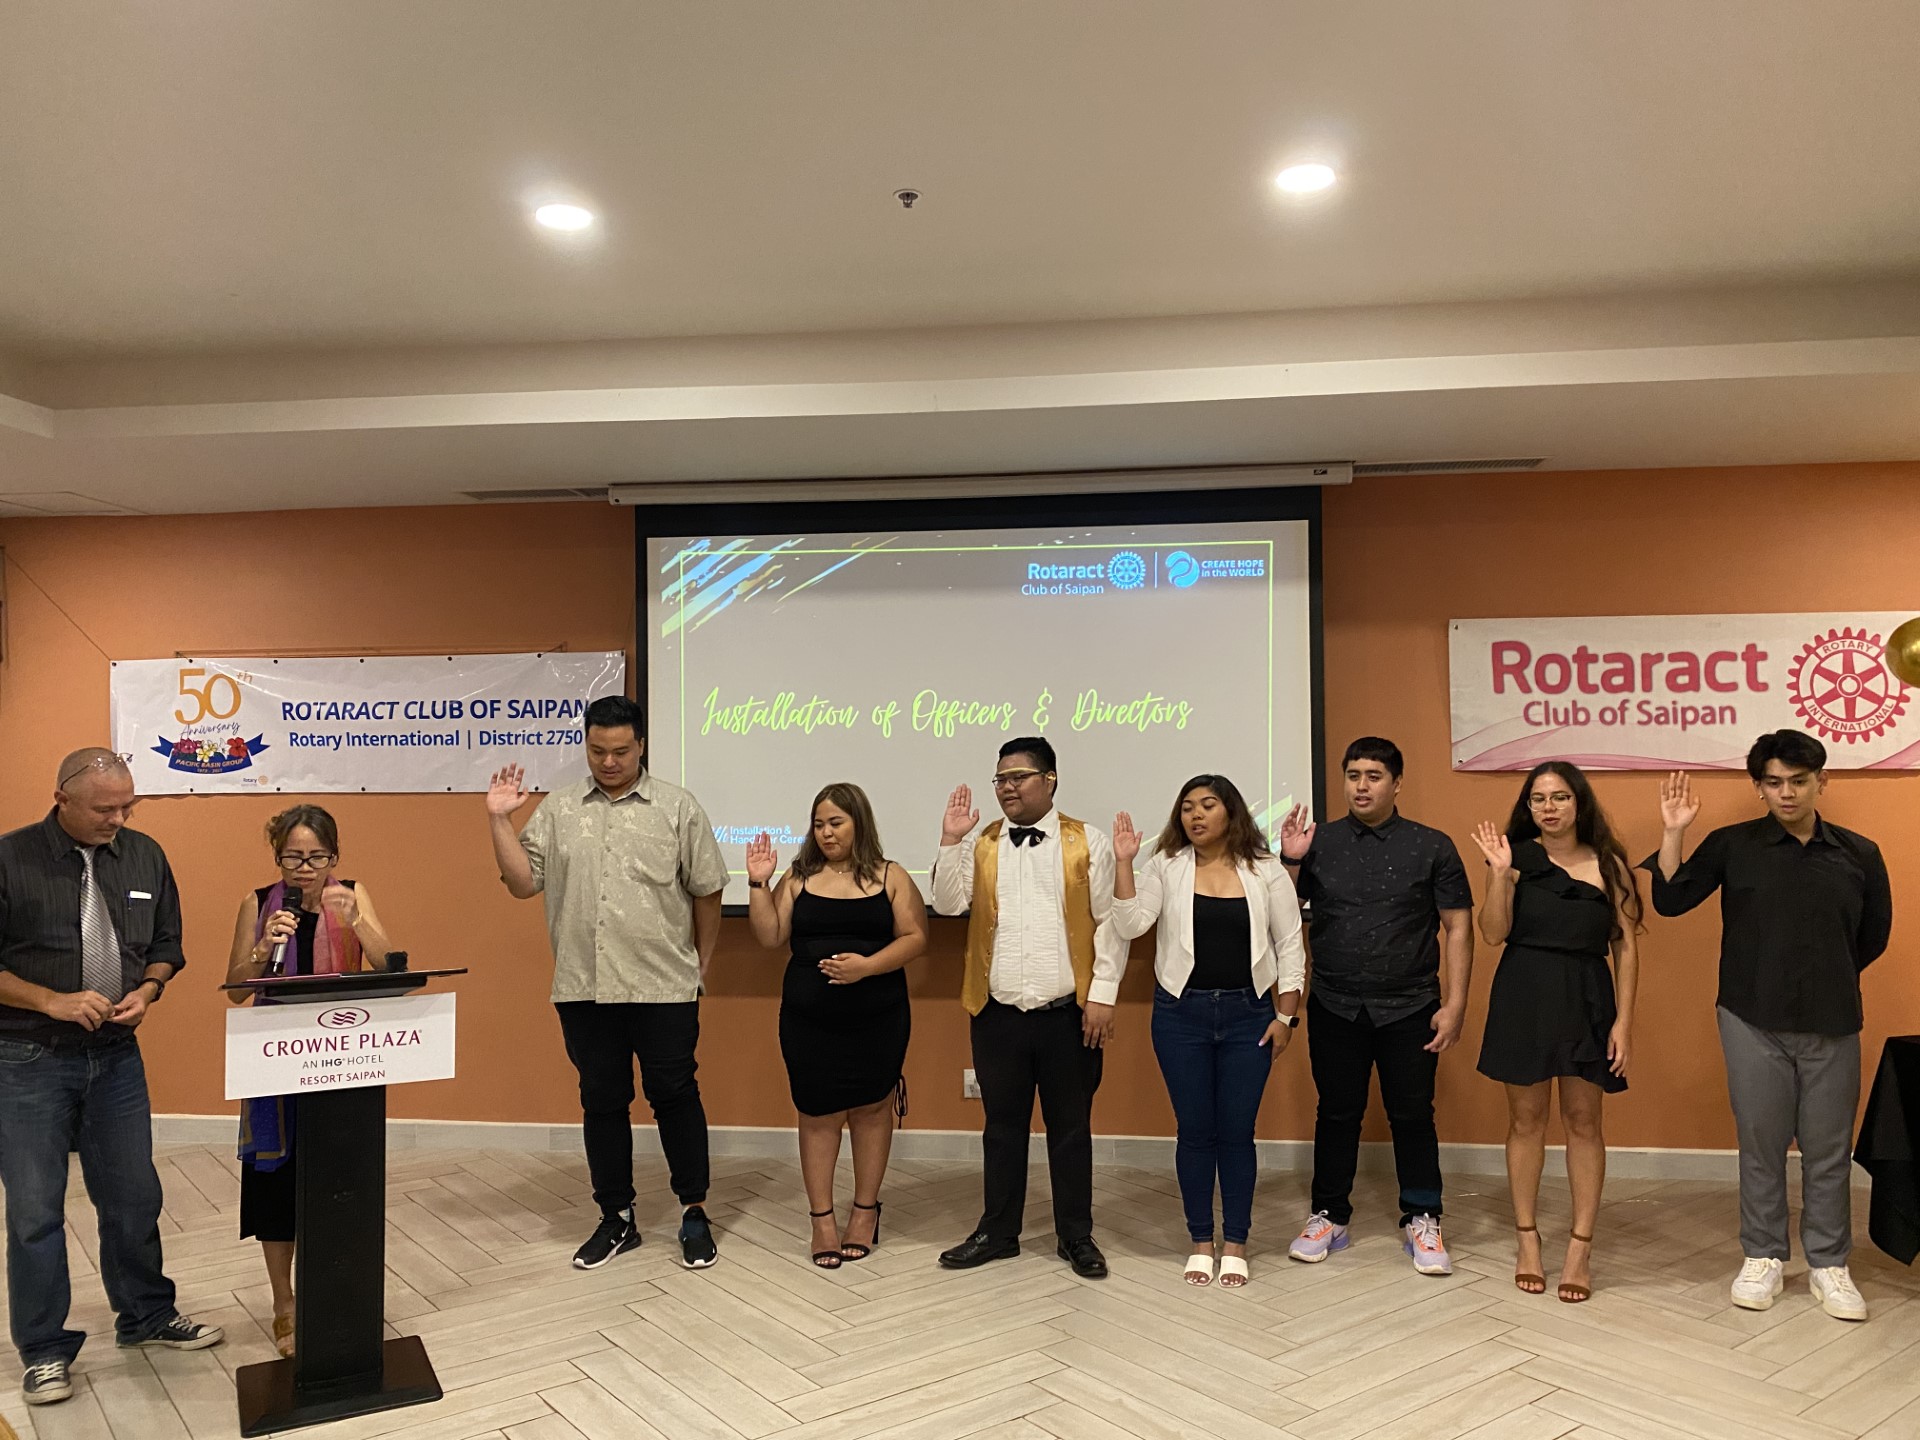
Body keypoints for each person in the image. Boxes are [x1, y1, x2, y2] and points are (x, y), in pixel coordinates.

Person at [0, 749, 223, 1408]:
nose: (118, 819)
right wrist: (52, 1000)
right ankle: (43, 1350)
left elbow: (166, 944)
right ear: (62, 798)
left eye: (128, 806)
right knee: (36, 1212)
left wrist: (150, 990)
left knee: (133, 1198)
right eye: (105, 809)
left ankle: (147, 1317)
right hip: (28, 1058)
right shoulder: (11, 860)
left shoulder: (145, 855)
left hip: (118, 1057)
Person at [1644, 732, 1892, 1322]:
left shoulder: (1860, 853)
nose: (1787, 792)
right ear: (1759, 787)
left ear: (1821, 782)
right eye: (1774, 782)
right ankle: (1763, 1256)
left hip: (1832, 1021)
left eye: (1799, 781)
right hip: (1750, 1019)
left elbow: (1872, 936)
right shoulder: (1733, 845)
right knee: (1761, 1146)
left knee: (1829, 1150)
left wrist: (1824, 975)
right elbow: (1672, 900)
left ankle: (1830, 1265)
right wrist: (1674, 830)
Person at [485, 695, 729, 1271]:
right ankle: (616, 1217)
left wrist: (702, 965)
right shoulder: (559, 809)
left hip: (664, 985)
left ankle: (694, 1211)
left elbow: (708, 890)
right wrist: (499, 818)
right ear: (587, 746)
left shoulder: (678, 807)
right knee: (601, 1102)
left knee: (675, 1096)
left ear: (641, 745)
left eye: (621, 751)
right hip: (584, 986)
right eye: (598, 751)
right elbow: (523, 884)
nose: (609, 761)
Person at [1278, 737, 1474, 1276]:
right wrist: (1291, 864)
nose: (1360, 785)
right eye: (1353, 775)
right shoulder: (1319, 843)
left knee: (1412, 1114)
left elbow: (1458, 927)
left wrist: (1454, 1005)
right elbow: (1283, 917)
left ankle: (1423, 1215)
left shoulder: (1432, 845)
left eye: (1373, 776)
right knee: (1336, 1112)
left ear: (1396, 783)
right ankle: (1329, 1214)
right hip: (1335, 1002)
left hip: (1411, 1006)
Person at [931, 737, 1121, 1278]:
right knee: (1001, 1127)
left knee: (1070, 1128)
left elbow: (1110, 923)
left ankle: (1076, 1236)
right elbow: (947, 904)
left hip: (1069, 1014)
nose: (1007, 788)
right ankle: (998, 1231)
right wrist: (950, 840)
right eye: (1000, 779)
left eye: (1018, 776)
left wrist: (1102, 995)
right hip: (996, 1013)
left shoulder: (1089, 841)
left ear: (1050, 779)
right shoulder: (983, 842)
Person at [1110, 775, 1305, 1288]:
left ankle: (1236, 1242)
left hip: (1249, 1016)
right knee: (1194, 1132)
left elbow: (1291, 947)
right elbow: (1131, 925)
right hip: (1180, 1015)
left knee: (1237, 1133)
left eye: (1208, 806)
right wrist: (1125, 863)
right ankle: (1201, 1240)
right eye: (1188, 808)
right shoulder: (1165, 865)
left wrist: (1285, 1017)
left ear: (1231, 812)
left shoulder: (1264, 870)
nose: (1196, 816)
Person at [224, 804, 394, 1356]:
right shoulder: (256, 901)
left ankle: (338, 1295)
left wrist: (357, 920)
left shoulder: (354, 894)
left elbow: (390, 966)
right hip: (276, 1063)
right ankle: (284, 1304)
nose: (305, 868)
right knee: (277, 1182)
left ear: (335, 857)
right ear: (277, 857)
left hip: (339, 1057)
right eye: (293, 857)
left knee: (339, 1179)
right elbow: (234, 988)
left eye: (316, 856)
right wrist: (259, 945)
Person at [1472, 760, 1640, 1304]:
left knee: (1584, 1121)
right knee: (1526, 1121)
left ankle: (1579, 1248)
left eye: (1560, 797)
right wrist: (1498, 875)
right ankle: (1527, 1240)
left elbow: (1626, 946)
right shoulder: (1513, 858)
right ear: (1528, 807)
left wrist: (1624, 1022)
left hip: (1588, 996)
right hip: (1523, 993)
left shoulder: (1610, 864)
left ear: (1579, 802)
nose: (1548, 807)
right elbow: (1492, 934)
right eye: (1538, 798)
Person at [744, 783, 928, 1267]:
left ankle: (864, 1212)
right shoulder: (799, 877)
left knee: (871, 1111)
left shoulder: (891, 877)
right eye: (820, 824)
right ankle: (822, 1220)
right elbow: (769, 936)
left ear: (859, 824)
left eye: (837, 823)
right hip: (809, 1020)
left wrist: (866, 967)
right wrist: (759, 884)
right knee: (818, 1114)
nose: (826, 833)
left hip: (878, 1016)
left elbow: (915, 938)